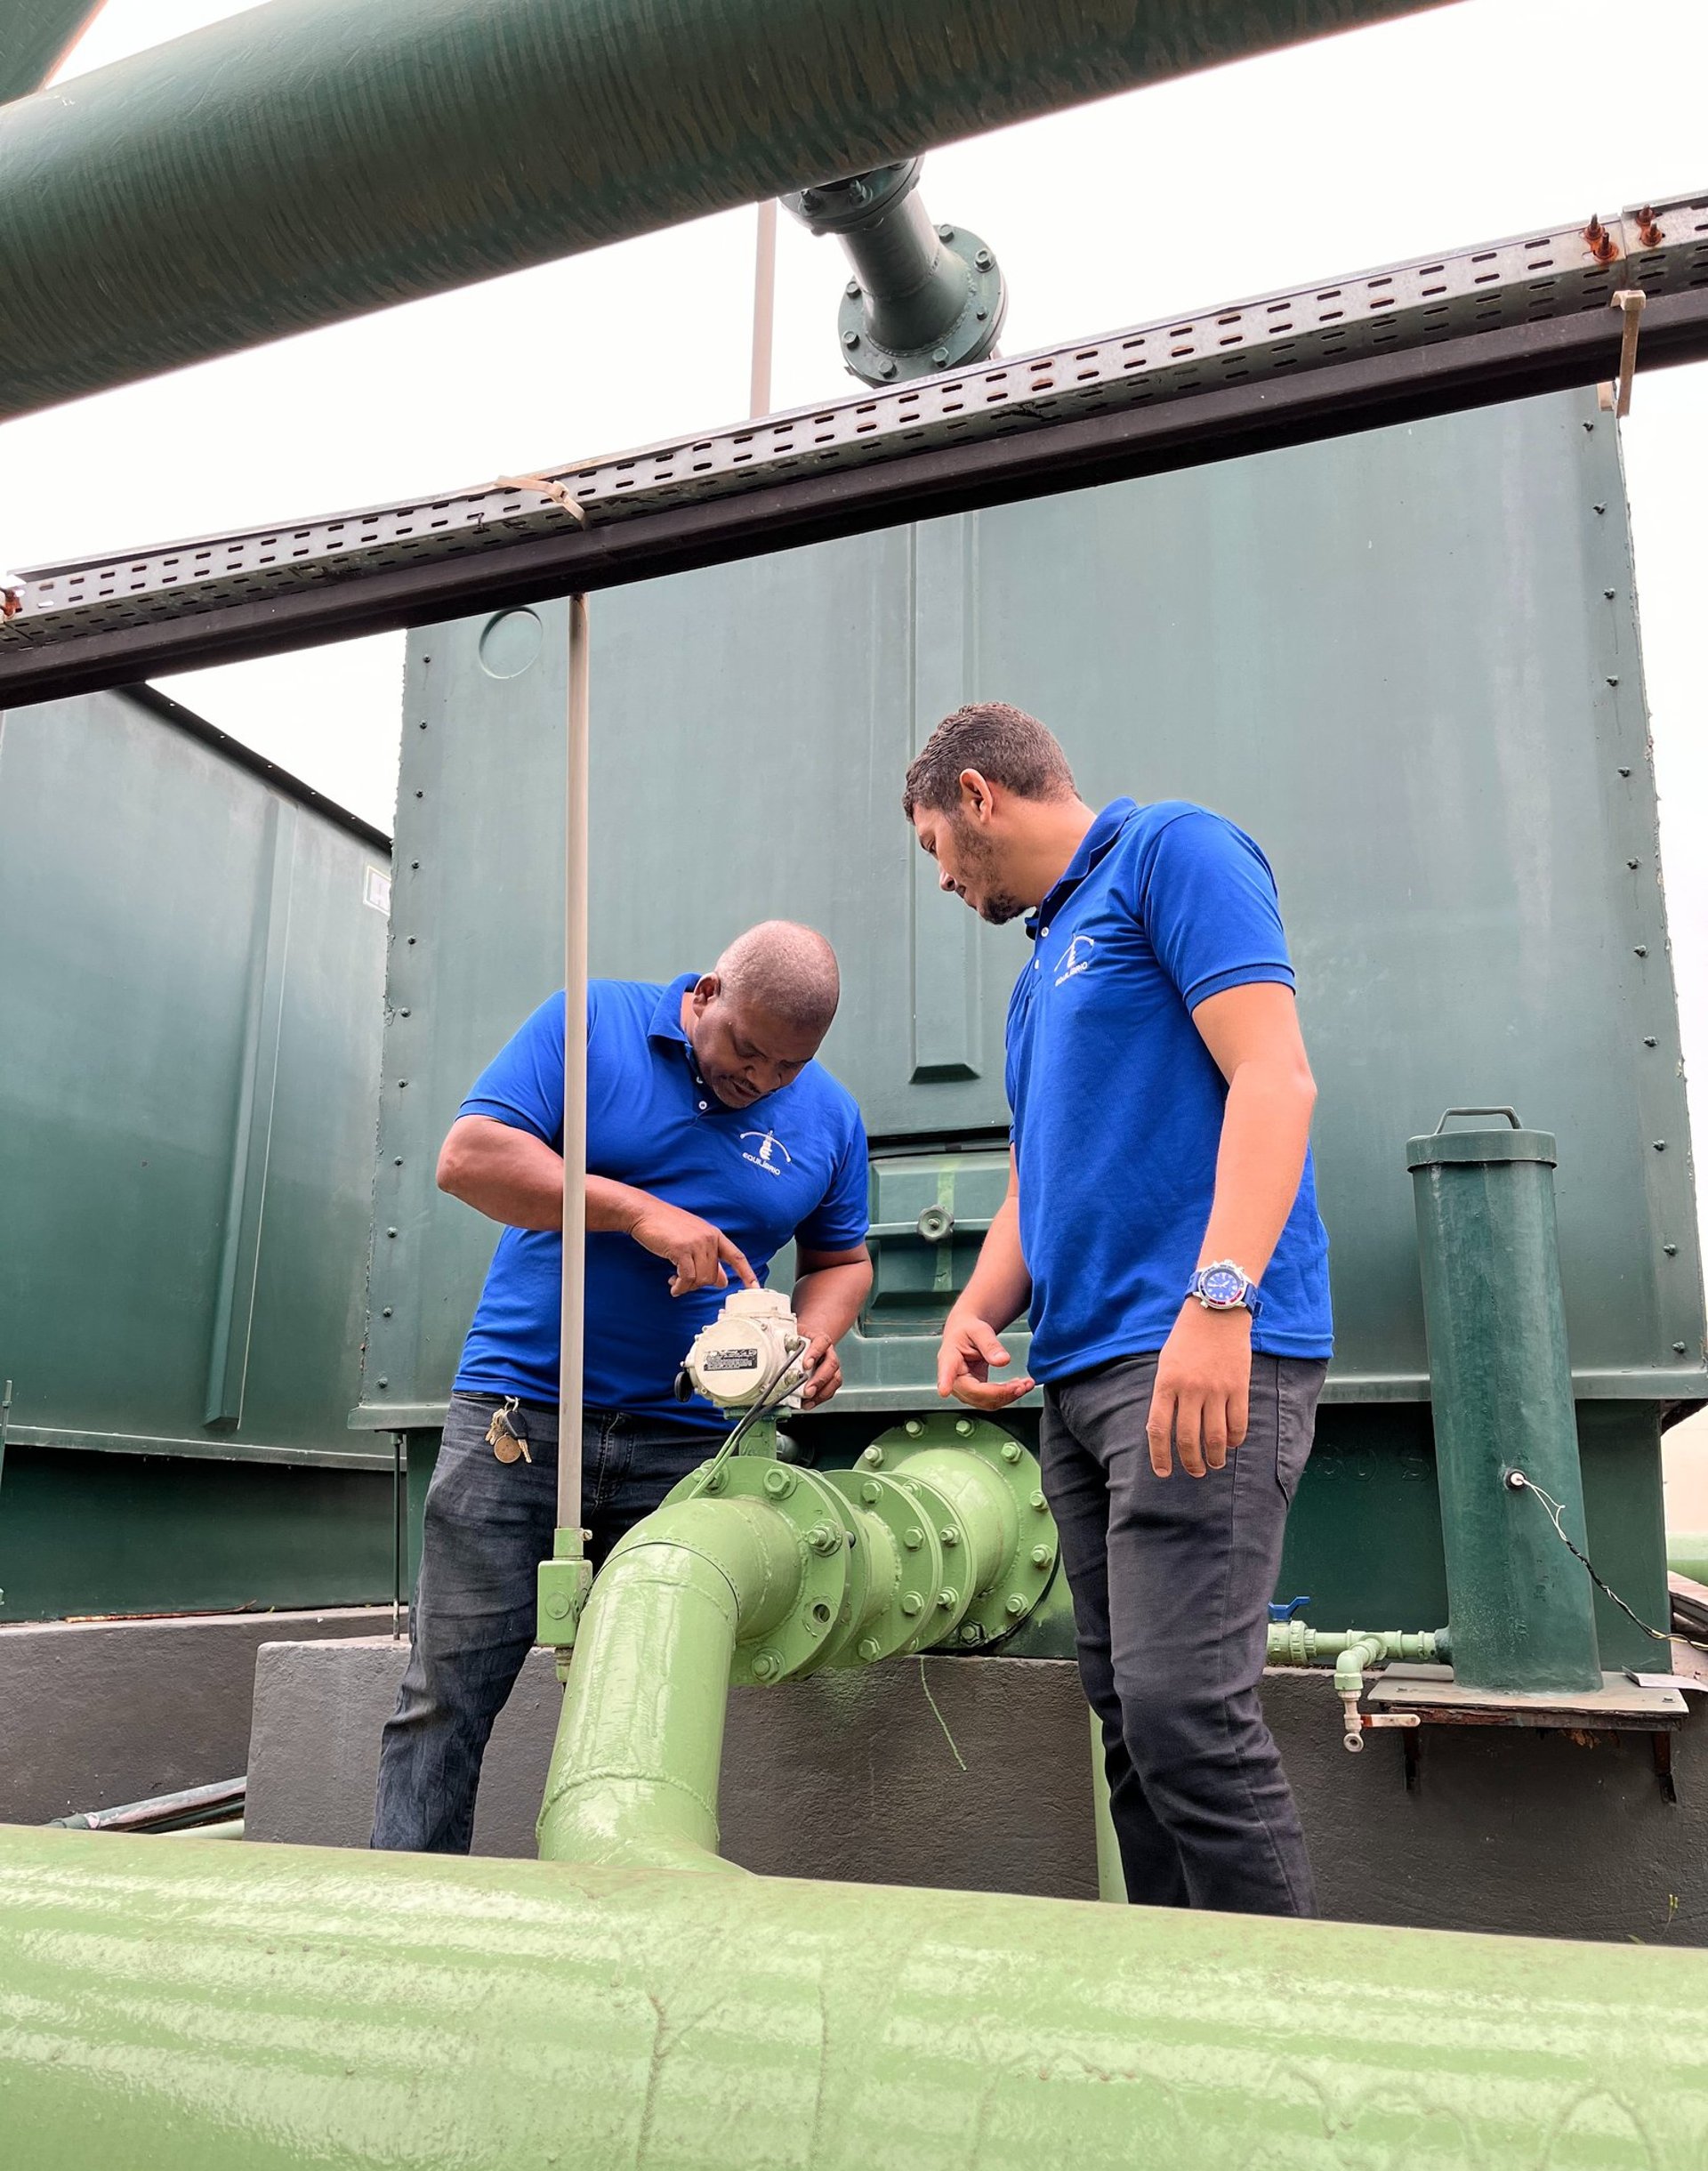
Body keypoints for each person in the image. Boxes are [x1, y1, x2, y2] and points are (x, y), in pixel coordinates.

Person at [904, 704, 1332, 1916]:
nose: (942, 878)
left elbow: (1275, 1075)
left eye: (936, 845)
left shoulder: (1172, 852)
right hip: (1082, 1379)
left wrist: (1220, 1301)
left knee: (1186, 1713)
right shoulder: (1038, 973)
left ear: (978, 795)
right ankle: (1171, 1998)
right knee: (1133, 1729)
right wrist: (975, 1307)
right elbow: (1032, 1186)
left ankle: (1291, 2008)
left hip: (1191, 1348)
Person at [373, 921, 873, 1853]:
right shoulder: (591, 1021)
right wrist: (637, 1210)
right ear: (707, 992)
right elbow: (468, 1158)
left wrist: (811, 1339)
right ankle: (406, 1909)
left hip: (696, 1446)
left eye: (789, 1066)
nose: (762, 1079)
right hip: (521, 1421)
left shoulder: (832, 1118)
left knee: (653, 1707)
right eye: (747, 1049)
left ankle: (617, 1911)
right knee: (446, 1695)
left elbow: (842, 1261)